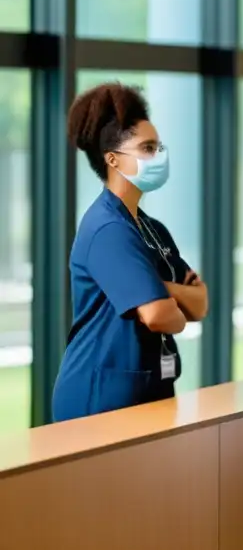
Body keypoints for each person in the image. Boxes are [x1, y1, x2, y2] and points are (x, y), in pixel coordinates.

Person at [52, 83, 207, 422]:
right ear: (112, 159)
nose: (159, 156)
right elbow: (159, 317)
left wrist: (163, 291)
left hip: (151, 389)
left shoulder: (152, 229)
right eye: (147, 148)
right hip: (101, 395)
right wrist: (170, 302)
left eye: (159, 146)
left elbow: (200, 304)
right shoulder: (109, 230)